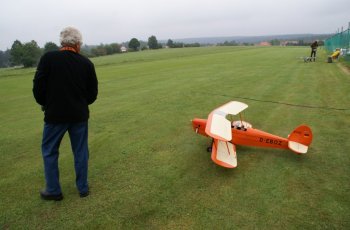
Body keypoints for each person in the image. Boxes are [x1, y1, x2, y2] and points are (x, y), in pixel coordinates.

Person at [33, 27, 98, 201]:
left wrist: (45, 103)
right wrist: (81, 103)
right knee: (81, 151)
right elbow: (92, 94)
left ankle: (53, 190)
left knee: (49, 151)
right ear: (78, 44)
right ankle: (83, 188)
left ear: (62, 42)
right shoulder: (86, 63)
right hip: (79, 116)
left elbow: (38, 88)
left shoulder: (48, 59)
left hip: (54, 115)